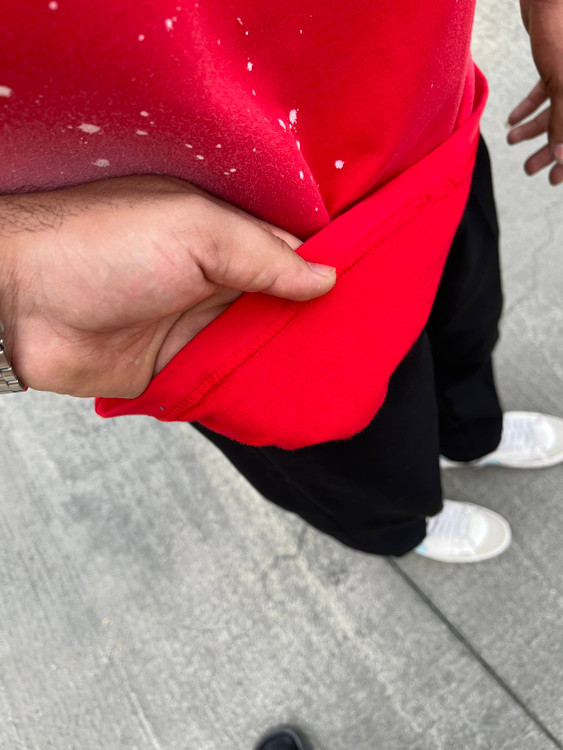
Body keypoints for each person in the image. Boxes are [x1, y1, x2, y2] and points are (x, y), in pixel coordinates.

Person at [1, 0, 563, 564]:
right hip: (217, 261)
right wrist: (14, 281)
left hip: (421, 114)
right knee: (353, 464)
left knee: (465, 319)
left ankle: (471, 434)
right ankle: (403, 528)